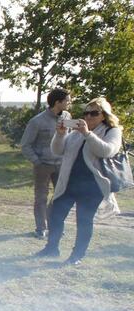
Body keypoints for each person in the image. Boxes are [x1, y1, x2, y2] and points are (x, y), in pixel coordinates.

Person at [35, 97, 123, 265]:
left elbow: (107, 151)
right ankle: (52, 248)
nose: (88, 117)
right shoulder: (76, 130)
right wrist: (60, 135)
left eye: (94, 113)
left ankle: (77, 256)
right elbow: (57, 151)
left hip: (92, 186)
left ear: (103, 115)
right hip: (69, 181)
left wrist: (87, 134)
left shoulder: (112, 131)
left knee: (83, 220)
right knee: (55, 214)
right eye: (86, 113)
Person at [20, 88, 72, 239]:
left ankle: (55, 226)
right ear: (57, 102)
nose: (70, 103)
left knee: (60, 196)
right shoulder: (37, 121)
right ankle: (40, 228)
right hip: (43, 165)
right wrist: (37, 161)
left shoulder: (67, 116)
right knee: (41, 198)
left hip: (61, 164)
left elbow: (68, 139)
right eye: (67, 100)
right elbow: (25, 145)